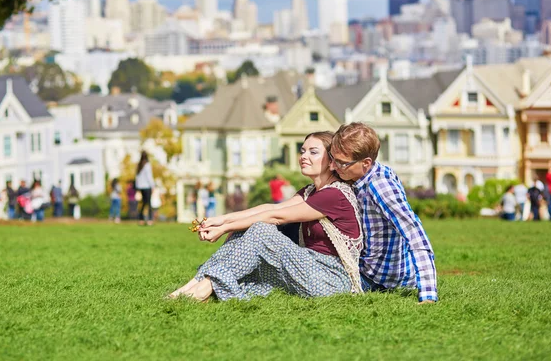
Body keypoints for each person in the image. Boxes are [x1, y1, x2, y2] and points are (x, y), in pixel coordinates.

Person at [169, 131, 363, 302]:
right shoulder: (311, 191)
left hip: (331, 279)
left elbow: (275, 217)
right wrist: (221, 220)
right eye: (302, 150)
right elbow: (268, 208)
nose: (304, 156)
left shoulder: (335, 195)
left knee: (262, 229)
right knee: (246, 229)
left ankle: (203, 290)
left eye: (313, 152)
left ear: (331, 162)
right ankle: (192, 286)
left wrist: (223, 228)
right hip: (308, 267)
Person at [330, 122, 438, 303]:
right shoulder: (361, 175)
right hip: (368, 268)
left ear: (366, 163)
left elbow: (414, 233)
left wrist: (428, 295)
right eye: (332, 158)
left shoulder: (380, 185)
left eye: (341, 163)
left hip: (382, 279)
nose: (333, 166)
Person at [135, 151, 155, 226]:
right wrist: (152, 186)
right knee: (148, 203)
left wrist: (138, 187)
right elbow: (149, 177)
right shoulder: (147, 165)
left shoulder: (139, 165)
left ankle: (141, 219)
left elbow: (137, 177)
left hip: (141, 187)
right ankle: (150, 219)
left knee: (143, 203)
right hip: (147, 186)